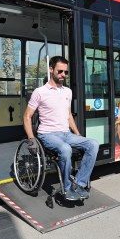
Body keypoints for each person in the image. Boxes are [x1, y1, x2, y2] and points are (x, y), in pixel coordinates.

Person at [23, 56, 99, 201]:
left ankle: (78, 183)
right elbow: (27, 116)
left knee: (93, 144)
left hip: (66, 133)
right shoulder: (39, 92)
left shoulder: (67, 92)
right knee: (65, 149)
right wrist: (31, 139)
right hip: (48, 134)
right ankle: (67, 187)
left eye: (66, 72)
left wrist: (78, 135)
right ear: (51, 69)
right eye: (60, 71)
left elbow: (69, 115)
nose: (63, 75)